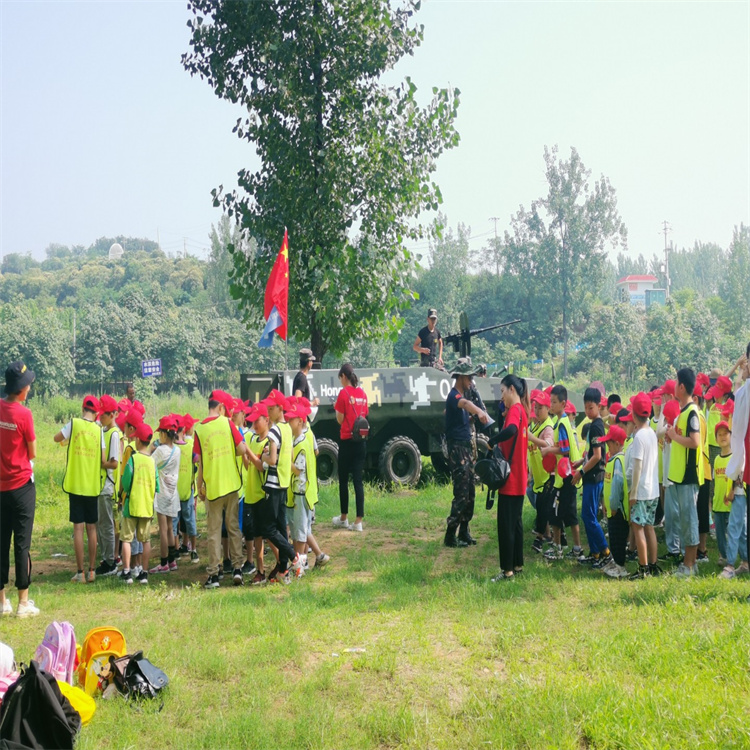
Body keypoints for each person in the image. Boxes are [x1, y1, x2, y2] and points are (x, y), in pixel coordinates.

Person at [194, 390, 248, 589]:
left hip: (213, 489)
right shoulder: (228, 424)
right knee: (233, 528)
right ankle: (237, 569)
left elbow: (199, 464)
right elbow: (242, 450)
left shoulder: (199, 430)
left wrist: (199, 488)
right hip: (232, 486)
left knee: (214, 532)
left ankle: (214, 575)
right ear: (221, 408)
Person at [0, 361, 39, 617]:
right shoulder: (24, 414)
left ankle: (2, 602)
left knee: (1, 543)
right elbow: (32, 452)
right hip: (22, 487)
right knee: (21, 544)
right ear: (22, 389)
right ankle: (23, 602)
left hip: (1, 488)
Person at [54, 395, 106, 583]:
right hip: (92, 486)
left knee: (78, 528)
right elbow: (102, 458)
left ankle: (80, 572)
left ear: (82, 408)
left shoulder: (74, 424)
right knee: (92, 528)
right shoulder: (99, 430)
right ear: (97, 412)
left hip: (75, 485)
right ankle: (92, 571)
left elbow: (56, 438)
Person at [442, 358, 490, 548]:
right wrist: (479, 411)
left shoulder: (463, 396)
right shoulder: (454, 396)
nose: (471, 380)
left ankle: (464, 531)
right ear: (461, 377)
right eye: (469, 377)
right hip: (458, 450)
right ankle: (450, 535)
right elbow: (464, 403)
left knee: (470, 491)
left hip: (466, 448)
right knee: (461, 493)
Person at [490, 374, 529, 581]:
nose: (501, 396)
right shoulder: (522, 410)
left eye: (503, 391)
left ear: (512, 390)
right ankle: (518, 564)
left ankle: (507, 571)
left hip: (511, 479)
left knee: (506, 526)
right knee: (516, 524)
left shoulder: (514, 410)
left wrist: (493, 440)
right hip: (519, 477)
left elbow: (512, 430)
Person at [665, 368, 704, 578]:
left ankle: (689, 565)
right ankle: (690, 563)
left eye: (676, 381)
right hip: (680, 475)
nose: (673, 385)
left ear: (682, 387)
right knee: (685, 518)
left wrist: (673, 435)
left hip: (689, 476)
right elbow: (683, 439)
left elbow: (695, 442)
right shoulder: (683, 411)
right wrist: (673, 436)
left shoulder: (691, 412)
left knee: (689, 520)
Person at [260, 391, 301, 583]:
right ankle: (283, 571)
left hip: (273, 485)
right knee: (281, 528)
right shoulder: (286, 429)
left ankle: (294, 557)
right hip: (284, 484)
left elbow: (273, 459)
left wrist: (263, 457)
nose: (268, 411)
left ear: (280, 408)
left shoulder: (274, 431)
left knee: (268, 529)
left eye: (271, 408)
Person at [542, 385, 583, 560]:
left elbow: (565, 450)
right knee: (561, 514)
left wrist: (548, 450)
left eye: (554, 402)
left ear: (563, 403)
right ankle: (567, 549)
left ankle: (569, 549)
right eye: (550, 401)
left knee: (563, 515)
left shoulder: (562, 424)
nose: (551, 405)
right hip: (565, 476)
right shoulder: (561, 422)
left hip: (567, 477)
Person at [572, 388, 611, 568]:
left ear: (599, 405)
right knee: (588, 514)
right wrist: (580, 461)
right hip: (591, 474)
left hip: (594, 476)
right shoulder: (594, 424)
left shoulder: (596, 426)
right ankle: (595, 553)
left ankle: (605, 552)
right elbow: (592, 453)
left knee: (588, 515)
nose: (588, 411)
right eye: (586, 408)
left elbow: (597, 456)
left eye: (591, 407)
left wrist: (581, 472)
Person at [625, 393, 661, 580]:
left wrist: (633, 492)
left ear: (633, 414)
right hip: (653, 490)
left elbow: (637, 466)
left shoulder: (638, 437)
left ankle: (643, 568)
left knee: (637, 527)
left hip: (642, 491)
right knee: (649, 527)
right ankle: (653, 565)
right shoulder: (652, 434)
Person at [119, 422, 158, 585]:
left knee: (127, 539)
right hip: (146, 507)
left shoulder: (133, 459)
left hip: (131, 505)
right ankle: (144, 573)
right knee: (145, 540)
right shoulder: (152, 462)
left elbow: (126, 482)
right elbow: (156, 485)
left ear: (139, 441)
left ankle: (127, 572)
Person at [333, 364, 370, 532]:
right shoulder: (362, 393)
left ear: (343, 376)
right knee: (358, 481)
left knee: (343, 480)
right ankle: (358, 521)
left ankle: (343, 518)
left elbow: (340, 420)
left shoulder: (343, 393)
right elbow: (364, 415)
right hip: (361, 442)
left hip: (347, 441)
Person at [149, 415, 181, 574]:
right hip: (173, 493)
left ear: (163, 434)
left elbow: (148, 462)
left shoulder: (160, 451)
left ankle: (163, 562)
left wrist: (151, 449)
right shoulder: (178, 450)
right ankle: (172, 560)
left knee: (162, 529)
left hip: (162, 493)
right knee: (170, 527)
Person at [94, 395, 122, 577]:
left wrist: (96, 463)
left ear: (112, 415)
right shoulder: (103, 431)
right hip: (99, 485)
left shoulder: (114, 434)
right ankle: (105, 558)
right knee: (100, 524)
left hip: (107, 486)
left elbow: (113, 463)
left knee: (106, 525)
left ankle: (110, 562)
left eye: (104, 415)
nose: (100, 418)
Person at [600, 425, 630, 579]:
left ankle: (620, 567)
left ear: (617, 444)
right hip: (613, 509)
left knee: (618, 539)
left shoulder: (619, 461)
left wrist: (613, 505)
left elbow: (617, 485)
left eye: (609, 443)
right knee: (613, 537)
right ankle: (617, 564)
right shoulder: (613, 460)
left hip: (617, 510)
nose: (607, 447)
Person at [527, 390, 555, 552]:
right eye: (535, 408)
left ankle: (540, 539)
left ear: (548, 409)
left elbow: (548, 445)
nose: (537, 411)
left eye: (540, 408)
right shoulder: (536, 424)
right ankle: (549, 536)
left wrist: (531, 437)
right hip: (538, 475)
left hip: (547, 475)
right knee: (541, 506)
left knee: (544, 508)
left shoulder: (548, 427)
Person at [711, 421, 733, 565]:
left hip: (731, 503)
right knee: (719, 533)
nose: (723, 437)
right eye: (720, 434)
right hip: (718, 502)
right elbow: (714, 481)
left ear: (731, 436)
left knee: (733, 532)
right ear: (716, 438)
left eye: (726, 433)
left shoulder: (734, 458)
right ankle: (723, 556)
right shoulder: (717, 460)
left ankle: (736, 557)